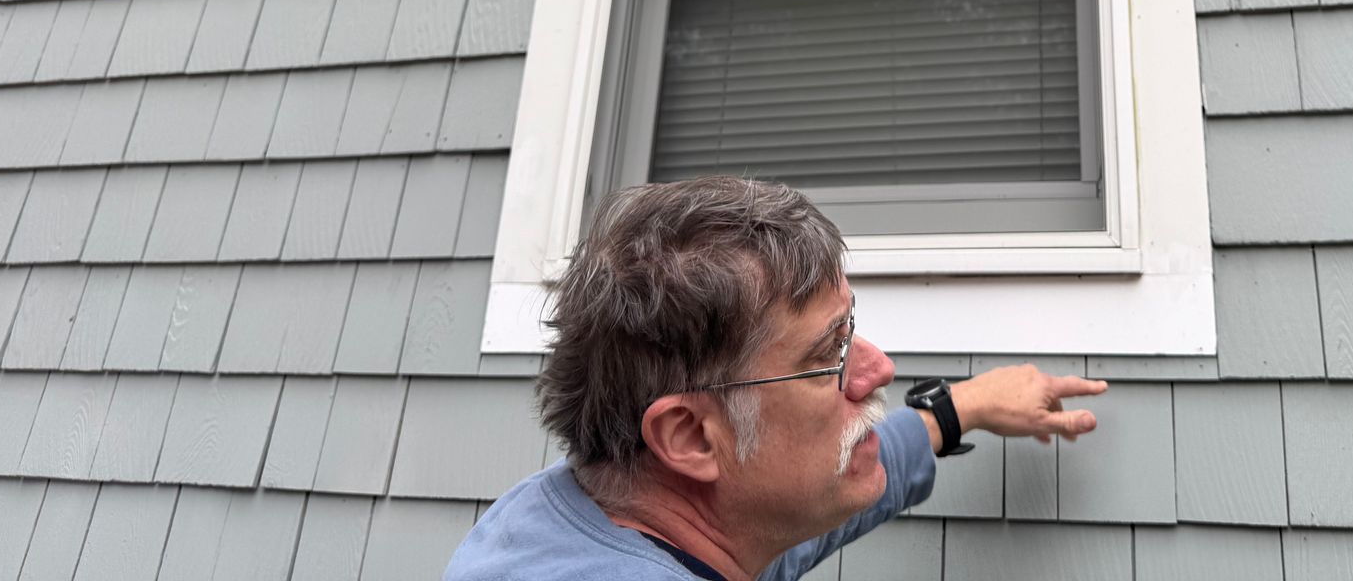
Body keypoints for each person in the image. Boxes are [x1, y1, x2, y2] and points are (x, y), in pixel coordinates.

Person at [446, 176, 1107, 581]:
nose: (878, 369)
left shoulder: (600, 510)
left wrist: (960, 409)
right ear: (690, 436)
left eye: (850, 328)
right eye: (830, 352)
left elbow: (807, 502)